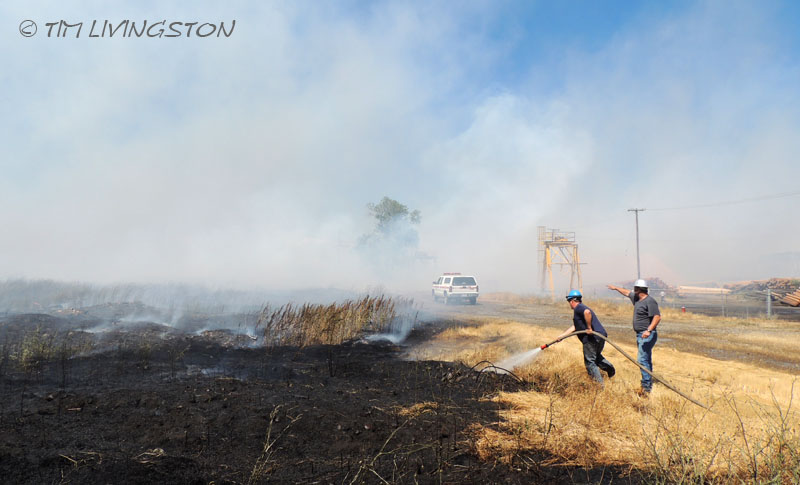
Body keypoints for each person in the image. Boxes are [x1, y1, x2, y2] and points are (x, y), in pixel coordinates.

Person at [607, 279, 661, 395]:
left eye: (635, 288)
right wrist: (616, 288)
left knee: (642, 360)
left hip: (647, 334)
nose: (633, 290)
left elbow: (657, 317)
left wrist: (648, 330)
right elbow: (626, 292)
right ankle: (648, 382)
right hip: (640, 334)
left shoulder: (650, 301)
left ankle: (646, 388)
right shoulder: (637, 299)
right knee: (646, 359)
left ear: (639, 289)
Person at [554, 290, 615, 385]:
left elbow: (587, 312)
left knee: (590, 362)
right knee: (596, 357)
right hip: (600, 336)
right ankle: (610, 369)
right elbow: (575, 327)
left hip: (591, 338)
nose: (569, 304)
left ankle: (599, 386)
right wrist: (562, 336)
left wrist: (589, 328)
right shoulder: (581, 308)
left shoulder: (579, 308)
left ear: (572, 301)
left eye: (569, 301)